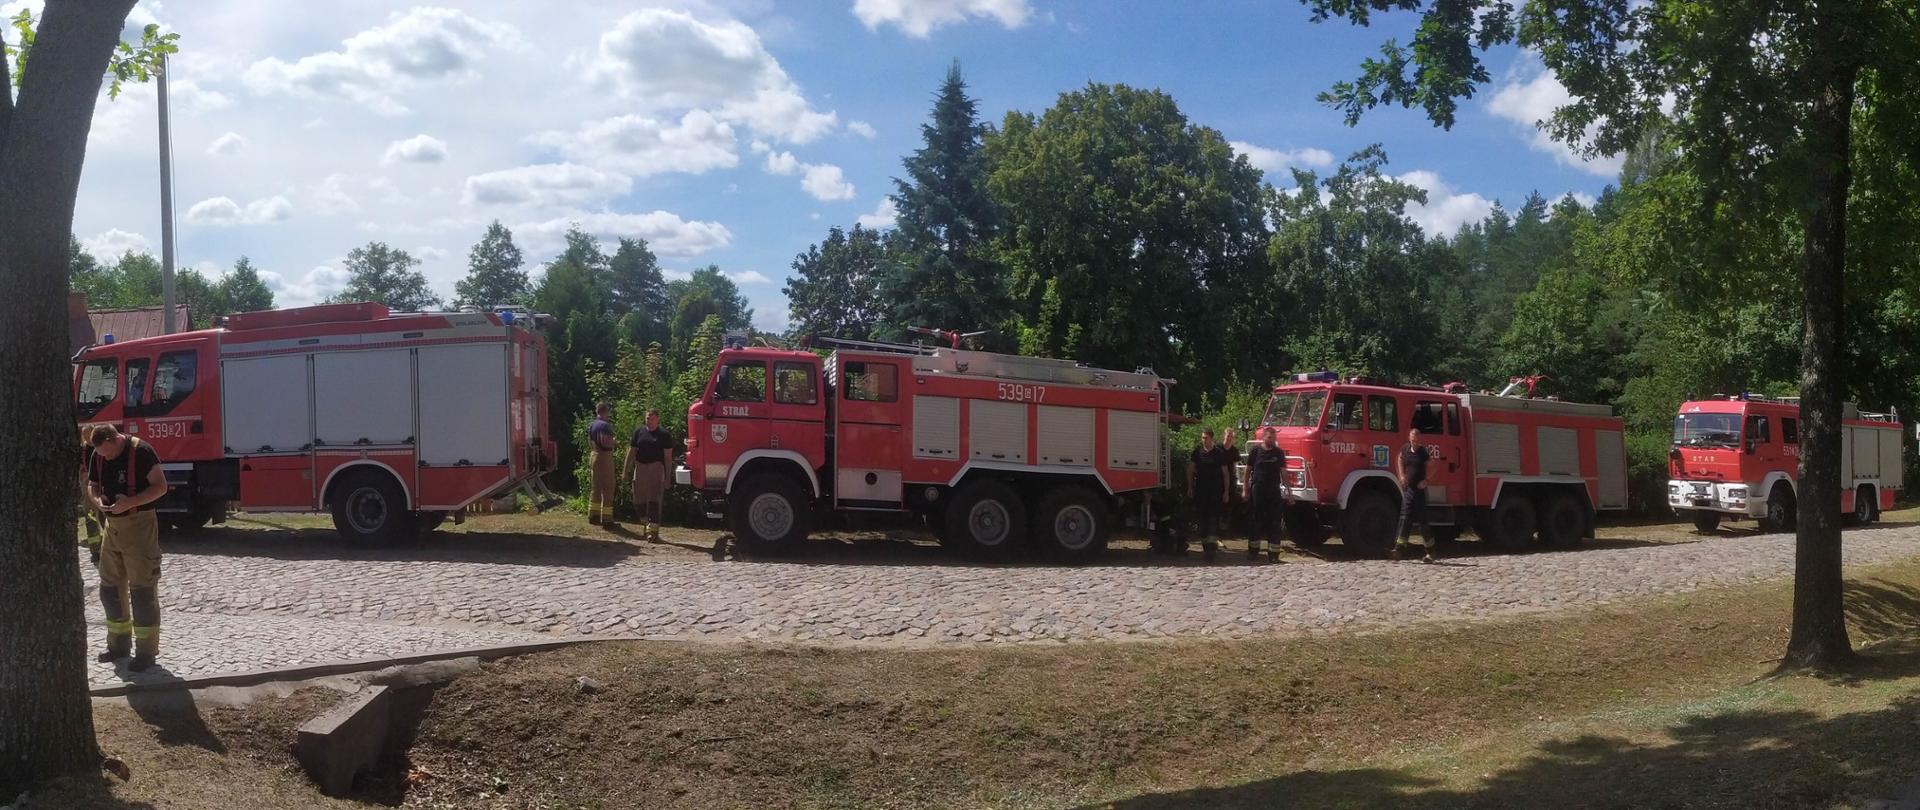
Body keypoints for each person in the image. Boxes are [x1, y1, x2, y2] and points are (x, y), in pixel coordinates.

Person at [86, 424, 169, 671]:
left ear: (115, 439)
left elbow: (160, 487)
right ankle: (118, 645)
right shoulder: (98, 453)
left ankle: (146, 652)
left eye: (107, 452)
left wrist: (130, 502)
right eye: (99, 453)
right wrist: (98, 500)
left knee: (142, 589)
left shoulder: (141, 451)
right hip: (113, 526)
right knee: (109, 588)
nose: (104, 457)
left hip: (140, 526)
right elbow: (93, 486)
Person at [625, 409, 675, 542]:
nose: (649, 421)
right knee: (638, 498)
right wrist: (626, 471)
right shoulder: (638, 432)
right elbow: (631, 452)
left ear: (658, 419)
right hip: (640, 467)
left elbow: (668, 457)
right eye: (647, 418)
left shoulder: (664, 435)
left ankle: (652, 532)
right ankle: (645, 521)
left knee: (654, 499)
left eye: (652, 418)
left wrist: (668, 477)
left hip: (656, 468)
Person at [1243, 426, 1289, 563]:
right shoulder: (1255, 451)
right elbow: (1247, 471)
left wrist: (1289, 492)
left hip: (1273, 490)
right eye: (1270, 437)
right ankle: (1253, 552)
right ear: (1264, 437)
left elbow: (1283, 472)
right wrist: (1245, 489)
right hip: (1258, 489)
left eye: (1274, 438)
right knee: (1256, 520)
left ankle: (1273, 554)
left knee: (1274, 522)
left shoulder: (1279, 453)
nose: (1272, 440)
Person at [1187, 428, 1230, 562]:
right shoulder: (1197, 452)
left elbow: (1225, 473)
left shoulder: (1218, 453)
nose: (1203, 440)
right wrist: (1190, 487)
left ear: (1211, 438)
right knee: (1202, 520)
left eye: (1205, 437)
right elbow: (1190, 469)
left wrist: (1226, 491)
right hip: (1201, 491)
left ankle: (1211, 549)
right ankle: (1206, 547)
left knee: (1212, 519)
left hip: (1215, 492)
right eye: (1202, 438)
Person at [1393, 427, 1435, 563]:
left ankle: (1430, 552)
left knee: (1422, 523)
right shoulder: (1405, 449)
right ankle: (1398, 550)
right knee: (1404, 519)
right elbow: (1399, 459)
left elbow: (1434, 465)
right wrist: (1401, 476)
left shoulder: (1423, 452)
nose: (1415, 443)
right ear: (1409, 439)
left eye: (1417, 441)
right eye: (1413, 440)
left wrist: (1426, 480)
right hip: (1408, 491)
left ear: (1420, 440)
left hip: (1419, 492)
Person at [587, 403, 618, 527]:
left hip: (594, 455)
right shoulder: (605, 426)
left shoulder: (592, 425)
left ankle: (592, 515)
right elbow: (608, 444)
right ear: (606, 412)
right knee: (608, 487)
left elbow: (590, 441)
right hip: (604, 458)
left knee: (596, 487)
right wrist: (614, 442)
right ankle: (607, 519)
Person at [79, 425, 104, 564]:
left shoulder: (100, 448)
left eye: (89, 436)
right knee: (90, 517)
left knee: (106, 517)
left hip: (101, 485)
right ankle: (95, 550)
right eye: (85, 436)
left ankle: (111, 547)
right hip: (88, 485)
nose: (88, 439)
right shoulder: (82, 449)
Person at [1220, 427, 1244, 537]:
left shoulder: (1234, 451)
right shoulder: (1218, 449)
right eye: (1228, 436)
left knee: (1229, 505)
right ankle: (1216, 530)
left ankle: (1224, 530)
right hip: (1218, 479)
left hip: (1230, 479)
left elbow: (1234, 467)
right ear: (1224, 436)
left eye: (1231, 437)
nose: (1229, 438)